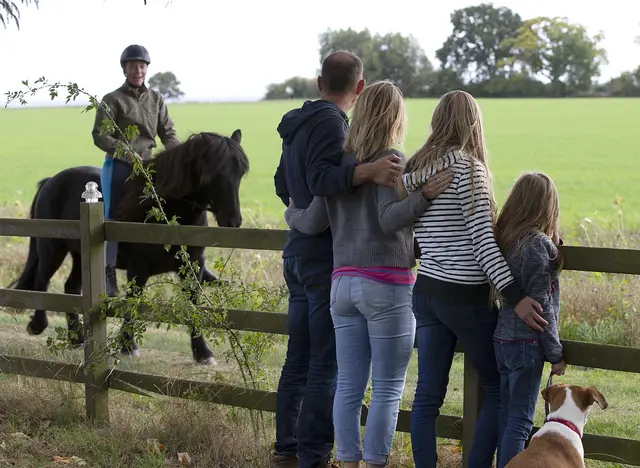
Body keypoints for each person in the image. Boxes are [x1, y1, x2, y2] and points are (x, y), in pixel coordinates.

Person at [283, 80, 453, 468]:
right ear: (396, 115)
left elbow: (310, 223)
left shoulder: (342, 167)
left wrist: (291, 211)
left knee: (348, 385)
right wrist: (423, 198)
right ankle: (375, 463)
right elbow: (390, 220)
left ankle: (346, 461)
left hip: (341, 284)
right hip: (387, 284)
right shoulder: (392, 162)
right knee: (389, 388)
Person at [400, 90, 549, 468]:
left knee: (427, 395)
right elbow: (483, 241)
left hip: (426, 290)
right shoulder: (470, 170)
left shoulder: (416, 169)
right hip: (463, 297)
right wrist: (515, 295)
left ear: (437, 120)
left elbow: (421, 238)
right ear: (472, 122)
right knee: (496, 389)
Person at [272, 51, 405, 468]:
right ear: (359, 88)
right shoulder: (333, 125)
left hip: (298, 255)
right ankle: (313, 456)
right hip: (323, 263)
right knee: (325, 366)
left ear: (319, 82)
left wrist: (293, 210)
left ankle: (287, 449)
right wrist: (367, 173)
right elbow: (323, 182)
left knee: (300, 361)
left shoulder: (297, 126)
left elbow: (284, 183)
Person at [92, 44, 180, 297]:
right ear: (124, 69)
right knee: (112, 216)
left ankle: (192, 262)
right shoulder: (112, 99)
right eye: (133, 66)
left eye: (142, 66)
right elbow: (100, 135)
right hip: (120, 165)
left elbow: (168, 132)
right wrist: (126, 152)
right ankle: (108, 271)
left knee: (170, 206)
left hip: (149, 165)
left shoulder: (157, 99)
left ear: (146, 69)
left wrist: (175, 157)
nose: (138, 70)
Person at [492, 172, 566, 468]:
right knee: (521, 422)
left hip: (503, 339)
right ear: (548, 206)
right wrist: (555, 353)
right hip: (526, 343)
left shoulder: (507, 239)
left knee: (507, 415)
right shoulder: (536, 246)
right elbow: (541, 305)